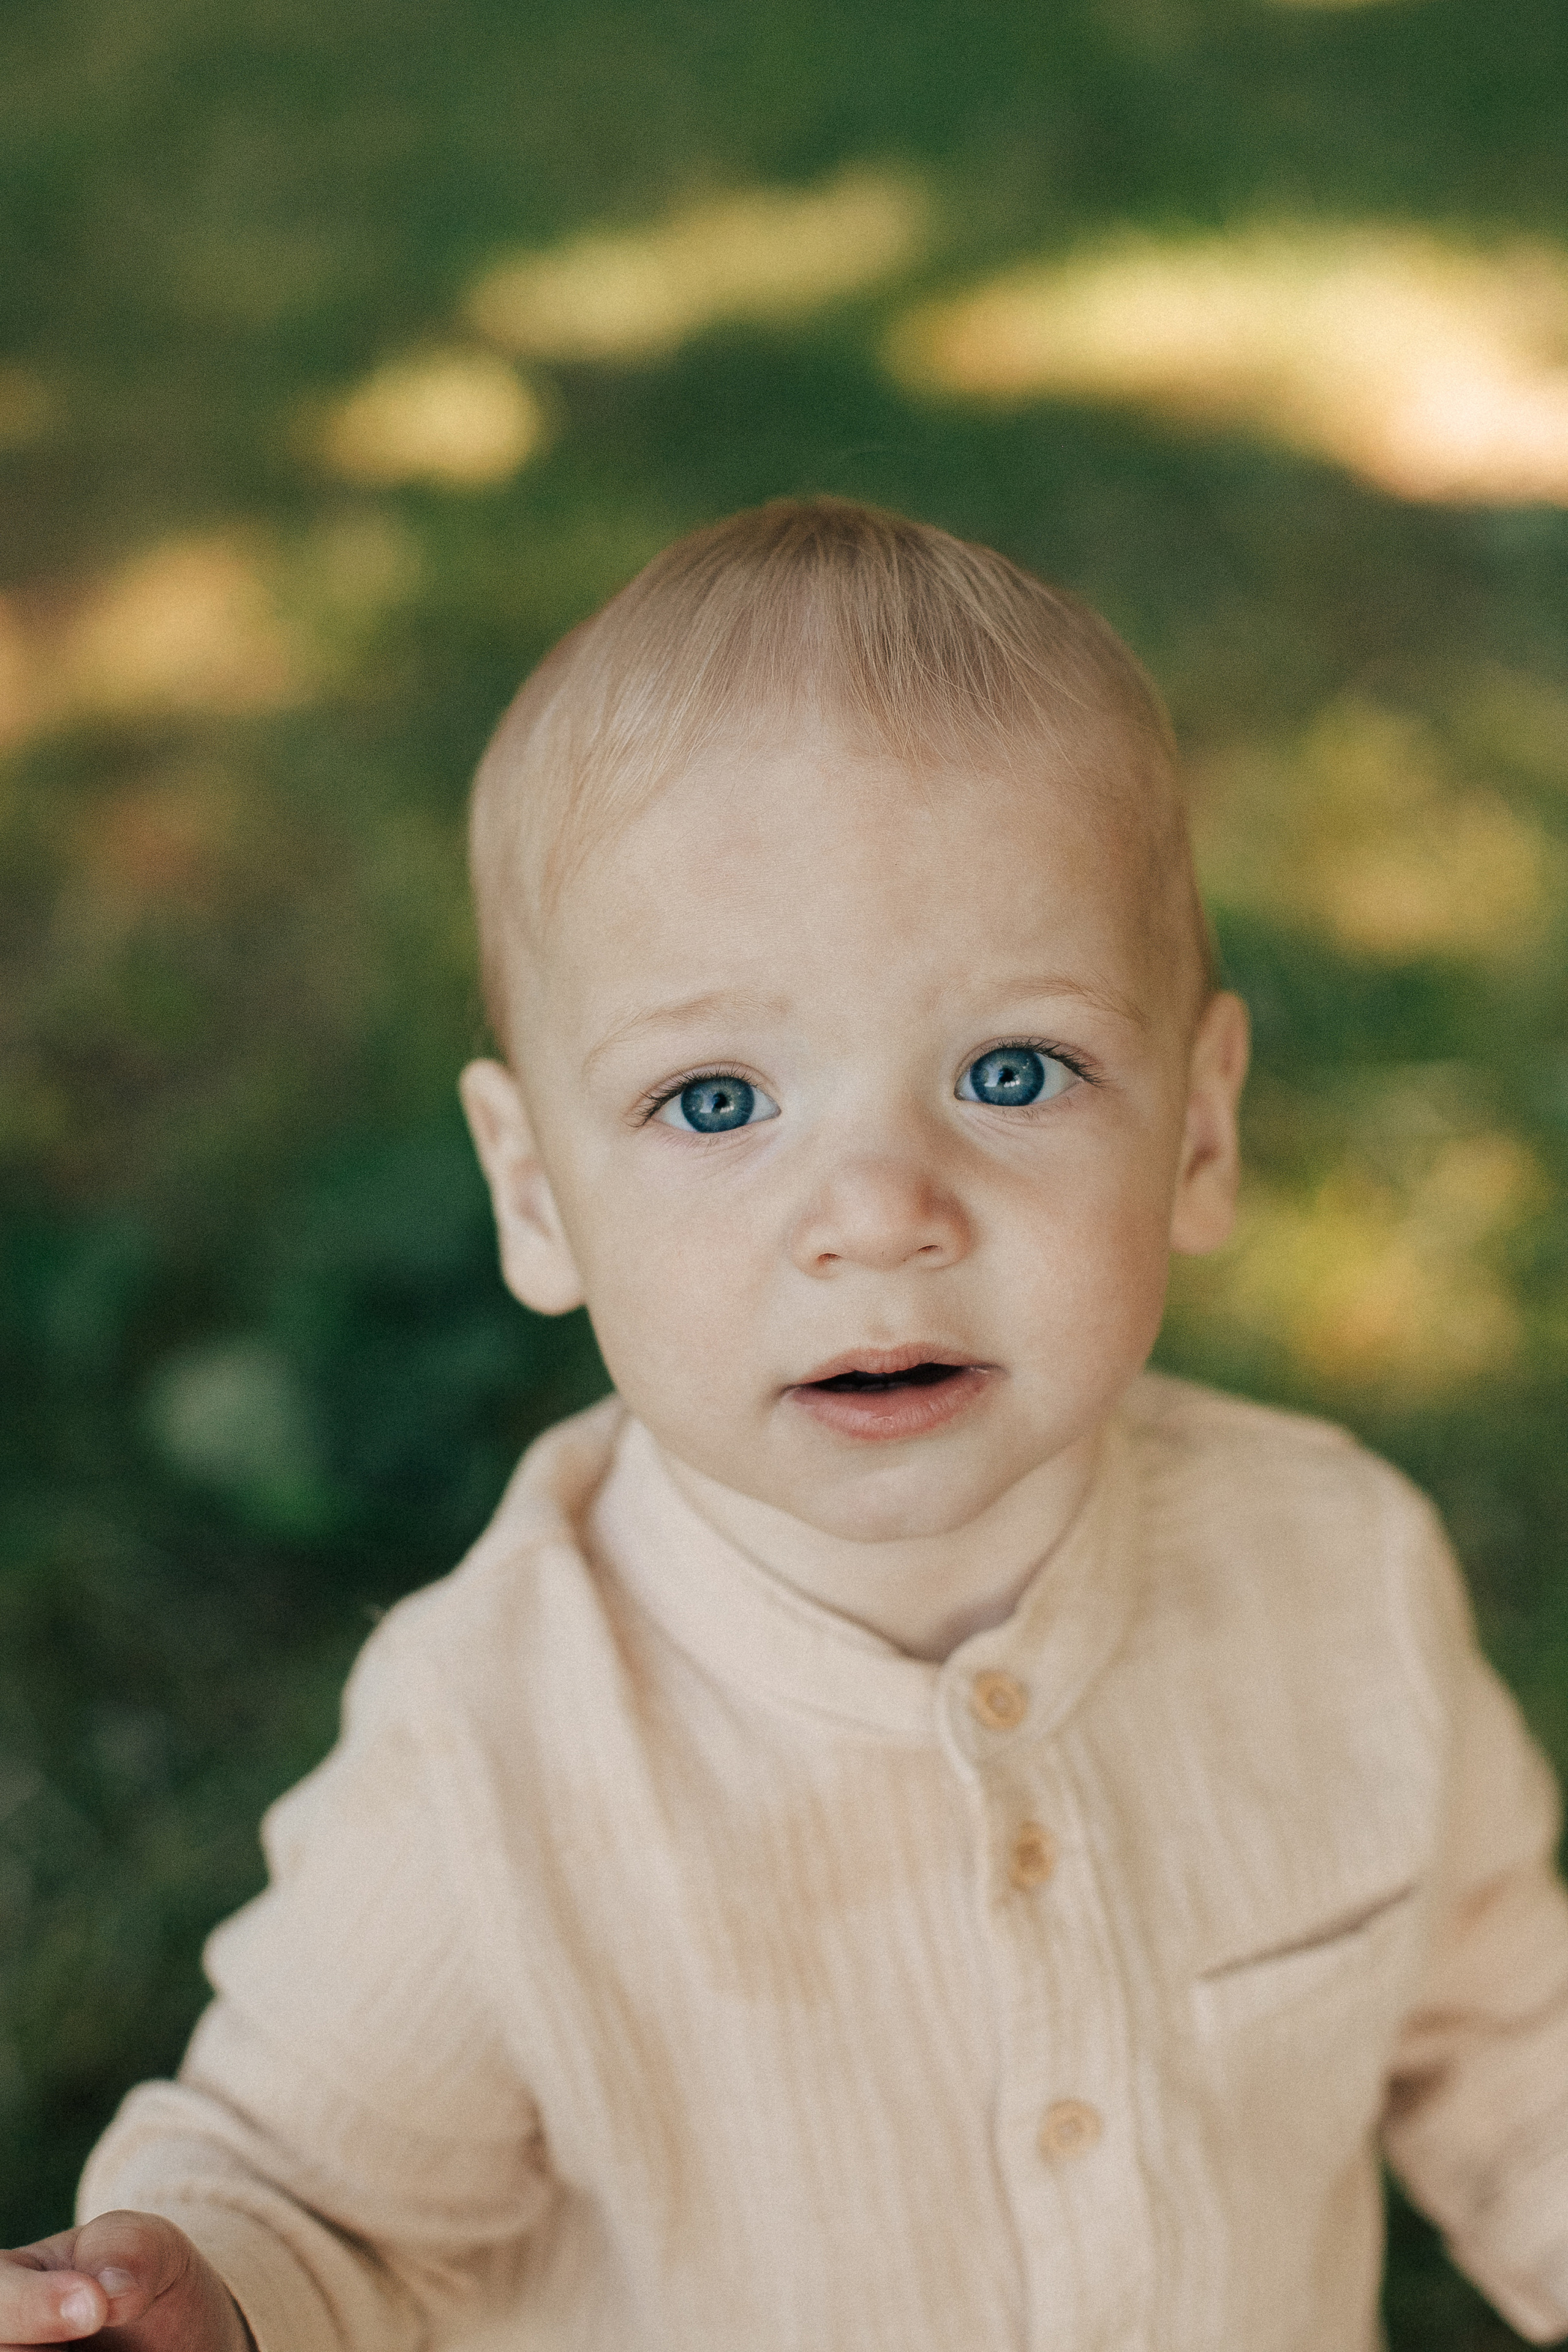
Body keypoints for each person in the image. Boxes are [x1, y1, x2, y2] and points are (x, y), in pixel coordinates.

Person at [6, 499, 1568, 2351]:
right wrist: (212, 2296)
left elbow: (1502, 2024)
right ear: (531, 1192)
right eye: (717, 1098)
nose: (880, 1207)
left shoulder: (1338, 1581)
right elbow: (305, 2185)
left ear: (1203, 1131)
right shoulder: (498, 1748)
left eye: (1013, 1073)